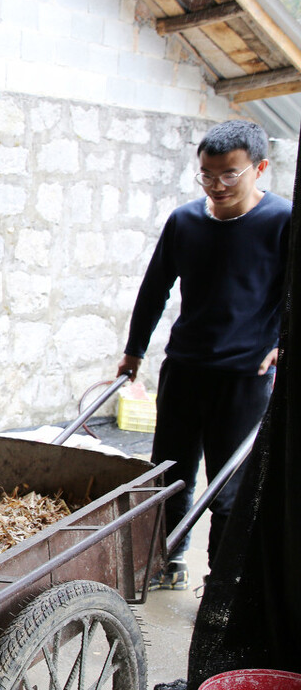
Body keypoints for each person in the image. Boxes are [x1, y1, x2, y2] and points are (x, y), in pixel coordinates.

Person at [117, 119, 290, 589]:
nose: (216, 186)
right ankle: (162, 562)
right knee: (169, 474)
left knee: (228, 488)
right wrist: (134, 351)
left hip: (243, 376)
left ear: (260, 168)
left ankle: (221, 582)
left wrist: (281, 344)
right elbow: (154, 289)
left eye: (229, 175)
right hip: (185, 367)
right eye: (207, 175)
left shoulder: (282, 221)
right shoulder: (185, 221)